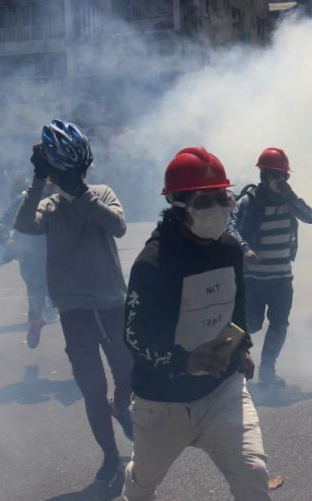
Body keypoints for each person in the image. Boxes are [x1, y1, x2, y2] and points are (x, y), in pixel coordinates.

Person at [122, 147, 271, 500]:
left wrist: (242, 346)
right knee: (142, 485)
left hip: (223, 389)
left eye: (224, 199)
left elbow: (237, 304)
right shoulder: (152, 263)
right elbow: (133, 334)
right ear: (178, 206)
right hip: (163, 402)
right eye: (205, 202)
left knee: (253, 473)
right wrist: (182, 360)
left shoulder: (230, 249)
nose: (218, 210)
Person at [14, 119, 134, 485]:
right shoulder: (49, 206)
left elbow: (118, 227)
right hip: (74, 309)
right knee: (91, 387)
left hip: (111, 302)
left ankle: (122, 404)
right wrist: (36, 181)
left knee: (127, 372)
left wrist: (81, 193)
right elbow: (24, 225)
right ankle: (110, 454)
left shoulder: (102, 193)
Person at [226, 148, 312, 386]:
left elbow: (310, 217)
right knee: (250, 323)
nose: (280, 180)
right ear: (263, 175)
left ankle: (267, 371)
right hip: (254, 279)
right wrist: (245, 248)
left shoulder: (290, 201)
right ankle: (224, 357)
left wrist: (291, 195)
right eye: (275, 175)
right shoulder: (249, 201)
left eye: (284, 176)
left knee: (279, 324)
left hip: (282, 278)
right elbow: (231, 228)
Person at [0, 173, 57, 348]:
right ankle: (36, 321)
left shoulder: (62, 199)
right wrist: (10, 243)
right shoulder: (24, 200)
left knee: (53, 295)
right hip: (31, 257)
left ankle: (45, 314)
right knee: (36, 290)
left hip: (56, 256)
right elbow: (1, 225)